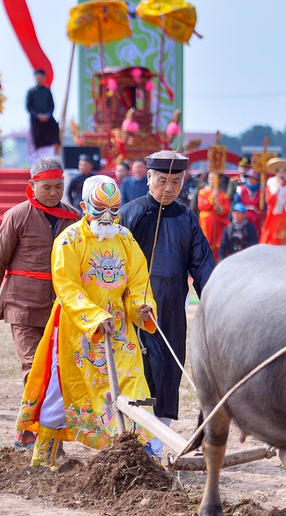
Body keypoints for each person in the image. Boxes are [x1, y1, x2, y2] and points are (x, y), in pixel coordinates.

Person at [15, 176, 157, 468]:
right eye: (100, 209)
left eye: (114, 210)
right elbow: (66, 285)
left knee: (133, 388)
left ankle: (139, 455)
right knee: (64, 389)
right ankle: (44, 455)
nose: (108, 218)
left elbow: (138, 282)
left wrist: (141, 307)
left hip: (119, 330)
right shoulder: (69, 240)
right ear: (83, 206)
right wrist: (94, 317)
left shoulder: (126, 240)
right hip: (77, 330)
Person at [120, 150, 215, 452]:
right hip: (131, 310)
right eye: (162, 181)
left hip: (171, 308)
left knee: (167, 372)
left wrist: (213, 300)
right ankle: (128, 440)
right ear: (148, 178)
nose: (169, 189)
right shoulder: (129, 214)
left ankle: (156, 445)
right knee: (137, 371)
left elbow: (201, 265)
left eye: (176, 182)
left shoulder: (187, 218)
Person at [0, 156, 80, 405]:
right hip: (23, 305)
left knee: (60, 369)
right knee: (34, 368)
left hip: (62, 308)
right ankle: (31, 429)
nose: (54, 192)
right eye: (47, 187)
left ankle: (51, 430)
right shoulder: (17, 216)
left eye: (58, 186)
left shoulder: (74, 219)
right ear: (32, 185)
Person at [196, 169, 230, 256]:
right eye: (211, 179)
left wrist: (218, 206)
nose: (212, 181)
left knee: (219, 242)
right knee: (206, 241)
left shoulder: (223, 194)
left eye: (215, 179)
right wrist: (212, 199)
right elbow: (202, 206)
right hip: (207, 222)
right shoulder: (202, 192)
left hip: (219, 222)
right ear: (208, 179)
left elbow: (226, 210)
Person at [26, 69, 59, 160]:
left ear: (44, 78)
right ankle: (34, 161)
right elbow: (28, 106)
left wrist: (47, 115)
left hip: (47, 120)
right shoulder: (31, 92)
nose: (39, 79)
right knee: (35, 140)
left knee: (55, 127)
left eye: (41, 77)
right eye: (37, 77)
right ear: (34, 78)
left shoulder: (47, 91)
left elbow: (52, 105)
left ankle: (50, 159)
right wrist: (37, 115)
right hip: (36, 120)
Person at [232, 168, 263, 233]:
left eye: (252, 178)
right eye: (249, 178)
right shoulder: (241, 189)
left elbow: (264, 208)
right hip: (243, 218)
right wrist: (247, 208)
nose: (250, 180)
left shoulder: (262, 192)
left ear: (257, 180)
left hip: (256, 220)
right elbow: (236, 205)